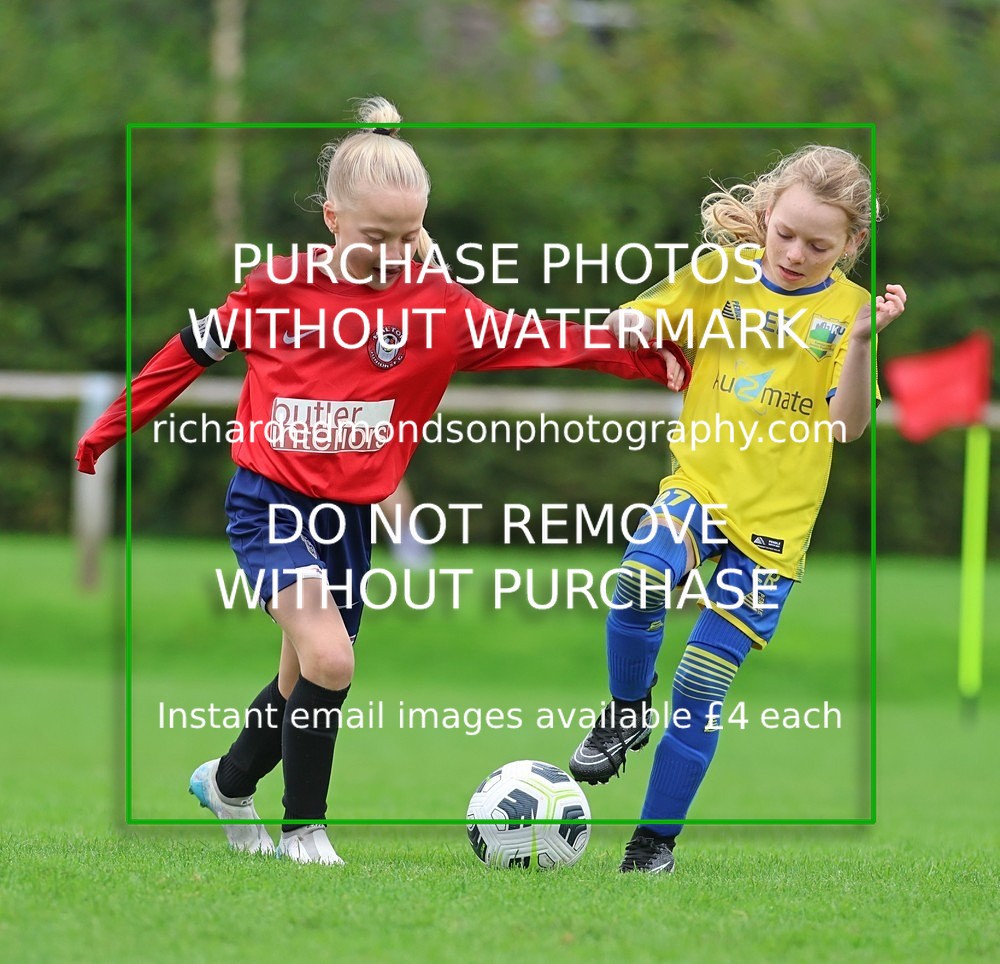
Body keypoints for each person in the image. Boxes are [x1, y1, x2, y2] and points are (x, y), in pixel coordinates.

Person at [76, 96, 689, 865]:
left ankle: (227, 784)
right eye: (377, 237)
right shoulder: (279, 289)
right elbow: (186, 353)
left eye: (411, 235)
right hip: (269, 506)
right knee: (332, 662)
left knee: (303, 680)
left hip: (348, 521)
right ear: (332, 218)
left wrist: (655, 360)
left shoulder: (438, 310)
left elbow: (548, 341)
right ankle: (305, 830)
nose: (396, 253)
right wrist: (104, 433)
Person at [568, 144, 907, 873]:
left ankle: (652, 844)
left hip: (775, 530)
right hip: (699, 488)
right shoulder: (719, 276)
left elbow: (847, 426)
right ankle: (626, 711)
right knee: (640, 578)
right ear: (766, 214)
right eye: (785, 234)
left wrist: (859, 346)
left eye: (819, 246)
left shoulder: (850, 312)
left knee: (700, 682)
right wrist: (639, 330)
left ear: (852, 245)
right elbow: (629, 320)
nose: (796, 254)